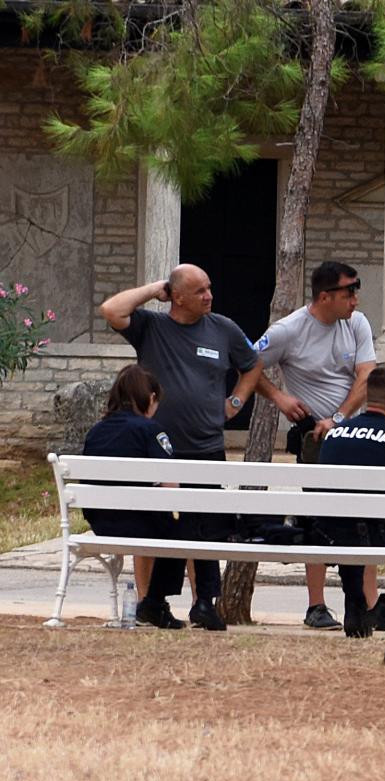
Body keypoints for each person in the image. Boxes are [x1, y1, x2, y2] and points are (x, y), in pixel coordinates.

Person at [98, 263, 261, 631]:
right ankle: (148, 601)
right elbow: (111, 310)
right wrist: (156, 286)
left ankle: (203, 602)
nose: (209, 296)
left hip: (206, 447)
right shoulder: (151, 328)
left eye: (209, 287)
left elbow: (251, 365)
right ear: (177, 297)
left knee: (204, 528)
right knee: (158, 526)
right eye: (200, 290)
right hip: (159, 450)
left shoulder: (223, 329)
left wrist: (234, 403)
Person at [253, 260, 378, 630]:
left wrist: (339, 417)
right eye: (349, 292)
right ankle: (316, 605)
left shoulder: (357, 323)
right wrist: (279, 398)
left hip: (355, 433)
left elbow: (367, 374)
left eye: (357, 290)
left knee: (364, 520)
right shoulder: (289, 330)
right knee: (317, 518)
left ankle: (369, 605)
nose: (355, 299)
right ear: (325, 296)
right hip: (316, 440)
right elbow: (248, 363)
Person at [314, 365, 385, 639]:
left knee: (351, 528)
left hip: (328, 531)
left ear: (366, 398)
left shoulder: (335, 435)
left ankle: (356, 604)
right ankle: (384, 608)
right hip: (374, 532)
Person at [79, 365, 178, 626]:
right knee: (182, 529)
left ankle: (149, 600)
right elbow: (172, 487)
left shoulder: (95, 432)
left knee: (155, 520)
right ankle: (156, 603)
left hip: (102, 523)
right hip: (139, 524)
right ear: (152, 398)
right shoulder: (151, 430)